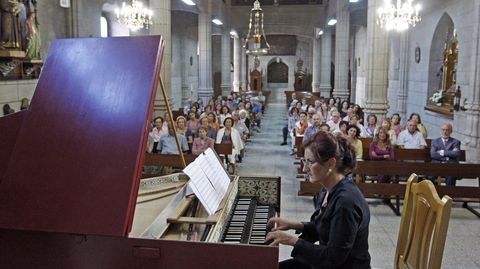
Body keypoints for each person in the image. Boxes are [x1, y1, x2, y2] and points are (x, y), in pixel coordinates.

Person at [266, 131, 371, 269]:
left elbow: (333, 258)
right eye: (304, 161)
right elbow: (326, 227)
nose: (304, 168)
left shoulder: (346, 202)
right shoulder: (328, 188)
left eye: (310, 162)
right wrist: (295, 225)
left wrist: (292, 240)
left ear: (330, 163)